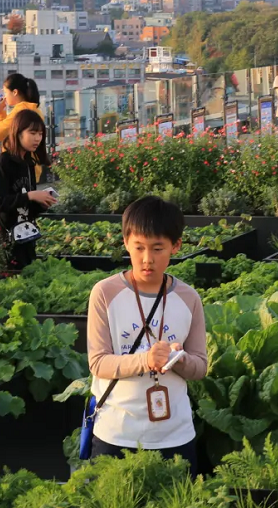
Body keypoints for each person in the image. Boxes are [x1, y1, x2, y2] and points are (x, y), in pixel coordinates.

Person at [86, 196, 208, 473]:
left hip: (175, 436)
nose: (147, 259)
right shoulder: (105, 293)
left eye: (157, 248)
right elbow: (98, 363)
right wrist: (146, 360)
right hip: (116, 434)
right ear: (126, 241)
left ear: (176, 246)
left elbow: (200, 366)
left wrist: (179, 358)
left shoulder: (189, 298)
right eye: (138, 247)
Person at [0, 110, 58, 270]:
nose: (38, 138)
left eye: (40, 134)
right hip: (6, 239)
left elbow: (28, 206)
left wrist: (42, 202)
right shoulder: (3, 163)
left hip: (26, 236)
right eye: (32, 133)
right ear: (18, 133)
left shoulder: (28, 163)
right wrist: (31, 195)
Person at [0, 73, 43, 142]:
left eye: (6, 92)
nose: (4, 96)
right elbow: (6, 133)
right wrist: (0, 112)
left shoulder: (20, 111)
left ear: (15, 92)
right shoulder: (33, 109)